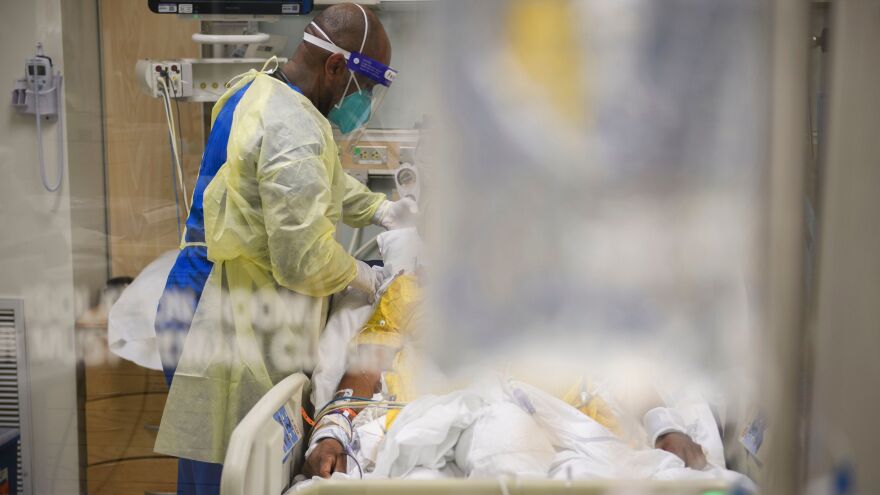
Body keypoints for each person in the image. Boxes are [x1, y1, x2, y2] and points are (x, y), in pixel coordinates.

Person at [152, 3, 415, 494]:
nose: (364, 101)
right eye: (364, 88)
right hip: (220, 315)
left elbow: (312, 186)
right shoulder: (292, 127)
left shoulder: (264, 91)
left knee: (222, 470)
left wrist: (382, 210)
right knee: (222, 477)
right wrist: (369, 277)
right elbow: (304, 259)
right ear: (335, 66)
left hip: (209, 294)